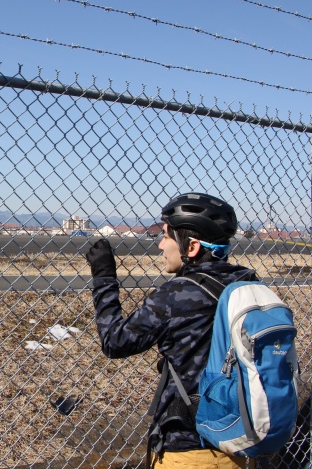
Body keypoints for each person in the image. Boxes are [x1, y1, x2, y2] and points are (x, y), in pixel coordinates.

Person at [85, 192, 258, 468]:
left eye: (166, 236)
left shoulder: (177, 294)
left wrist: (104, 277)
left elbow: (114, 341)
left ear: (190, 248)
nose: (161, 246)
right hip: (237, 440)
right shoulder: (248, 282)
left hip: (187, 450)